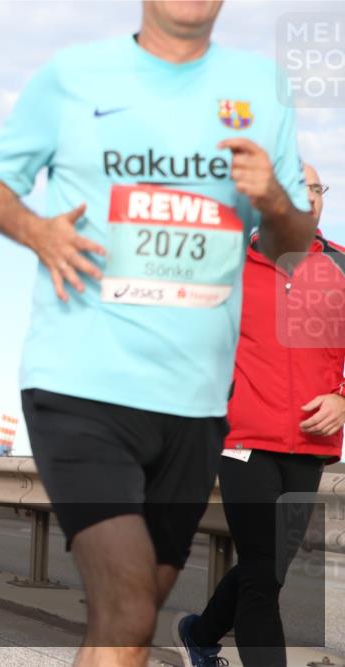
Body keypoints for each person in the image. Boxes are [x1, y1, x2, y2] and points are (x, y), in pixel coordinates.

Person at [0, 2, 315, 664]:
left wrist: (273, 200)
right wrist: (37, 231)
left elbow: (291, 244)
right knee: (127, 610)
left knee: (126, 620)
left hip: (195, 404)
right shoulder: (75, 75)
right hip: (81, 384)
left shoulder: (261, 88)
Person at [176, 164, 345, 667]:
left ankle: (200, 633)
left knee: (266, 572)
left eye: (316, 188)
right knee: (262, 576)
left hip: (309, 446)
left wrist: (343, 398)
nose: (310, 197)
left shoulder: (340, 266)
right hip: (243, 441)